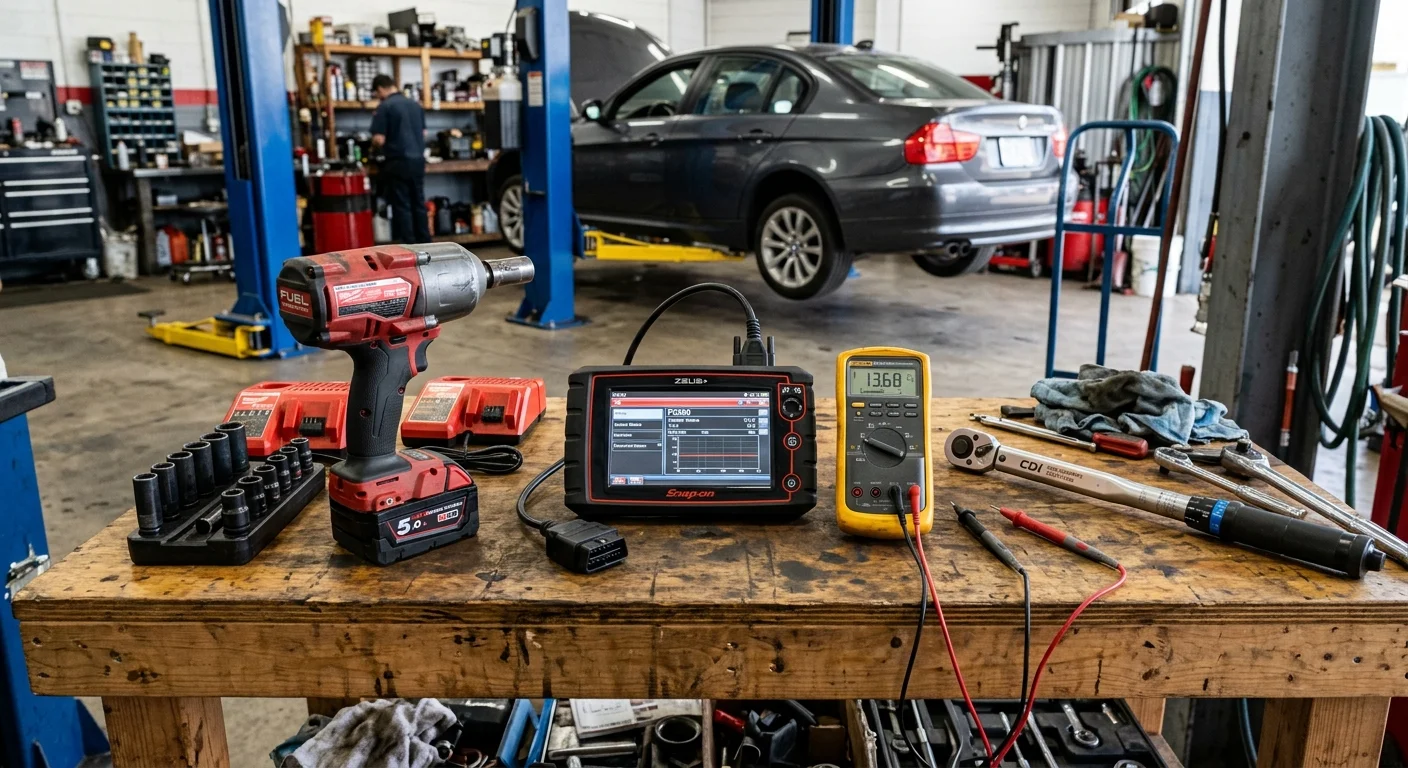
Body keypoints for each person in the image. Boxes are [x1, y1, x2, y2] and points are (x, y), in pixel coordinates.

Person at [369, 74, 430, 242]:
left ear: (380, 89)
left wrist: (373, 146)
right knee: (419, 202)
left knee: (402, 205)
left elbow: (379, 138)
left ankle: (410, 247)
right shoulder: (415, 105)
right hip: (418, 161)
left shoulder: (385, 107)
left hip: (398, 162)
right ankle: (426, 244)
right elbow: (423, 133)